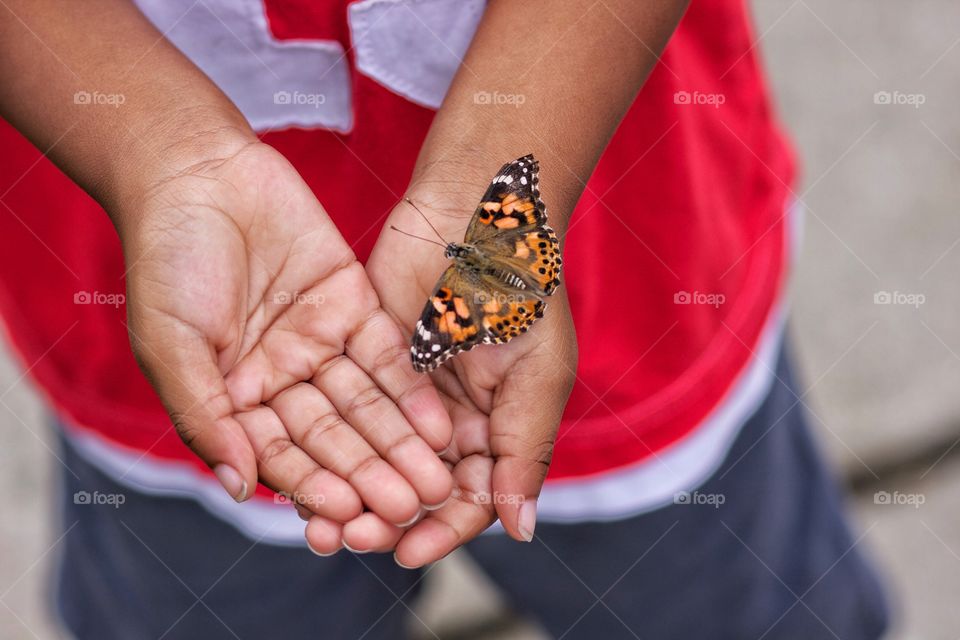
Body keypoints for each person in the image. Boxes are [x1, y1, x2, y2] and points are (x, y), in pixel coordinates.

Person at [0, 0, 889, 637]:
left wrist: (506, 182)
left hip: (619, 261)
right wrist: (156, 156)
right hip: (170, 320)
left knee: (723, 600)